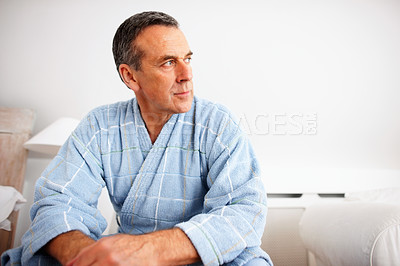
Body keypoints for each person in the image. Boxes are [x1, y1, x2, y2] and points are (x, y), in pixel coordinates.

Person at [1, 11, 272, 266]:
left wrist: (152, 250)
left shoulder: (218, 124)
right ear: (130, 76)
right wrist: (86, 256)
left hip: (200, 255)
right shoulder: (99, 126)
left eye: (187, 59)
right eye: (168, 63)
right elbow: (58, 200)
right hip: (126, 259)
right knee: (34, 257)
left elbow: (244, 210)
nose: (186, 75)